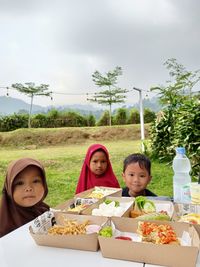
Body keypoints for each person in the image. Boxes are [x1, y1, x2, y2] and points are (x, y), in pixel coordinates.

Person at [0, 157, 49, 237]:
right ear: (9, 188)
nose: (29, 188)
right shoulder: (3, 225)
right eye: (20, 183)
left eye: (35, 181)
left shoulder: (45, 212)